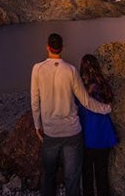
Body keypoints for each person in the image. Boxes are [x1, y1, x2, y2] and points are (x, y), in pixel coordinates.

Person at [31, 33, 112, 196]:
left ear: (47, 47)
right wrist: (106, 108)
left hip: (51, 132)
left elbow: (35, 102)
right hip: (72, 132)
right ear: (62, 48)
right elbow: (85, 101)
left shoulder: (37, 69)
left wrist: (37, 126)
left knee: (49, 175)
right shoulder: (71, 70)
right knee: (72, 177)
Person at [78, 54, 117, 196]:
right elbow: (108, 105)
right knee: (102, 173)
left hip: (87, 135)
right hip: (103, 135)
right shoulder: (103, 86)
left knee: (87, 172)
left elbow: (78, 108)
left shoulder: (81, 89)